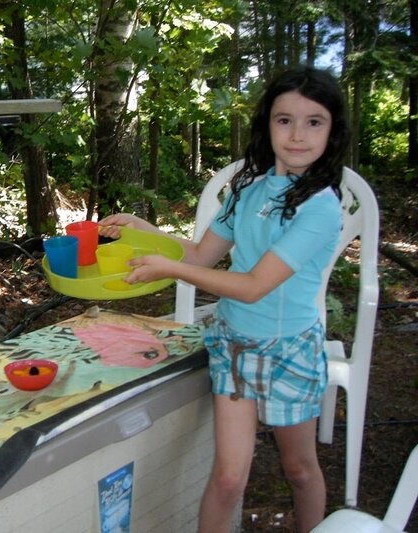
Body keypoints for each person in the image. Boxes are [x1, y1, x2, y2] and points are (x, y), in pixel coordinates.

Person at [99, 66, 350, 533]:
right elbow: (198, 253)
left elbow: (255, 284)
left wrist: (171, 268)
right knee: (230, 476)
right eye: (284, 120)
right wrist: (147, 230)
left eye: (313, 121)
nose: (297, 135)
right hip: (234, 345)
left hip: (288, 351)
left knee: (299, 468)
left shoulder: (321, 207)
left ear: (332, 130)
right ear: (266, 125)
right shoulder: (247, 190)